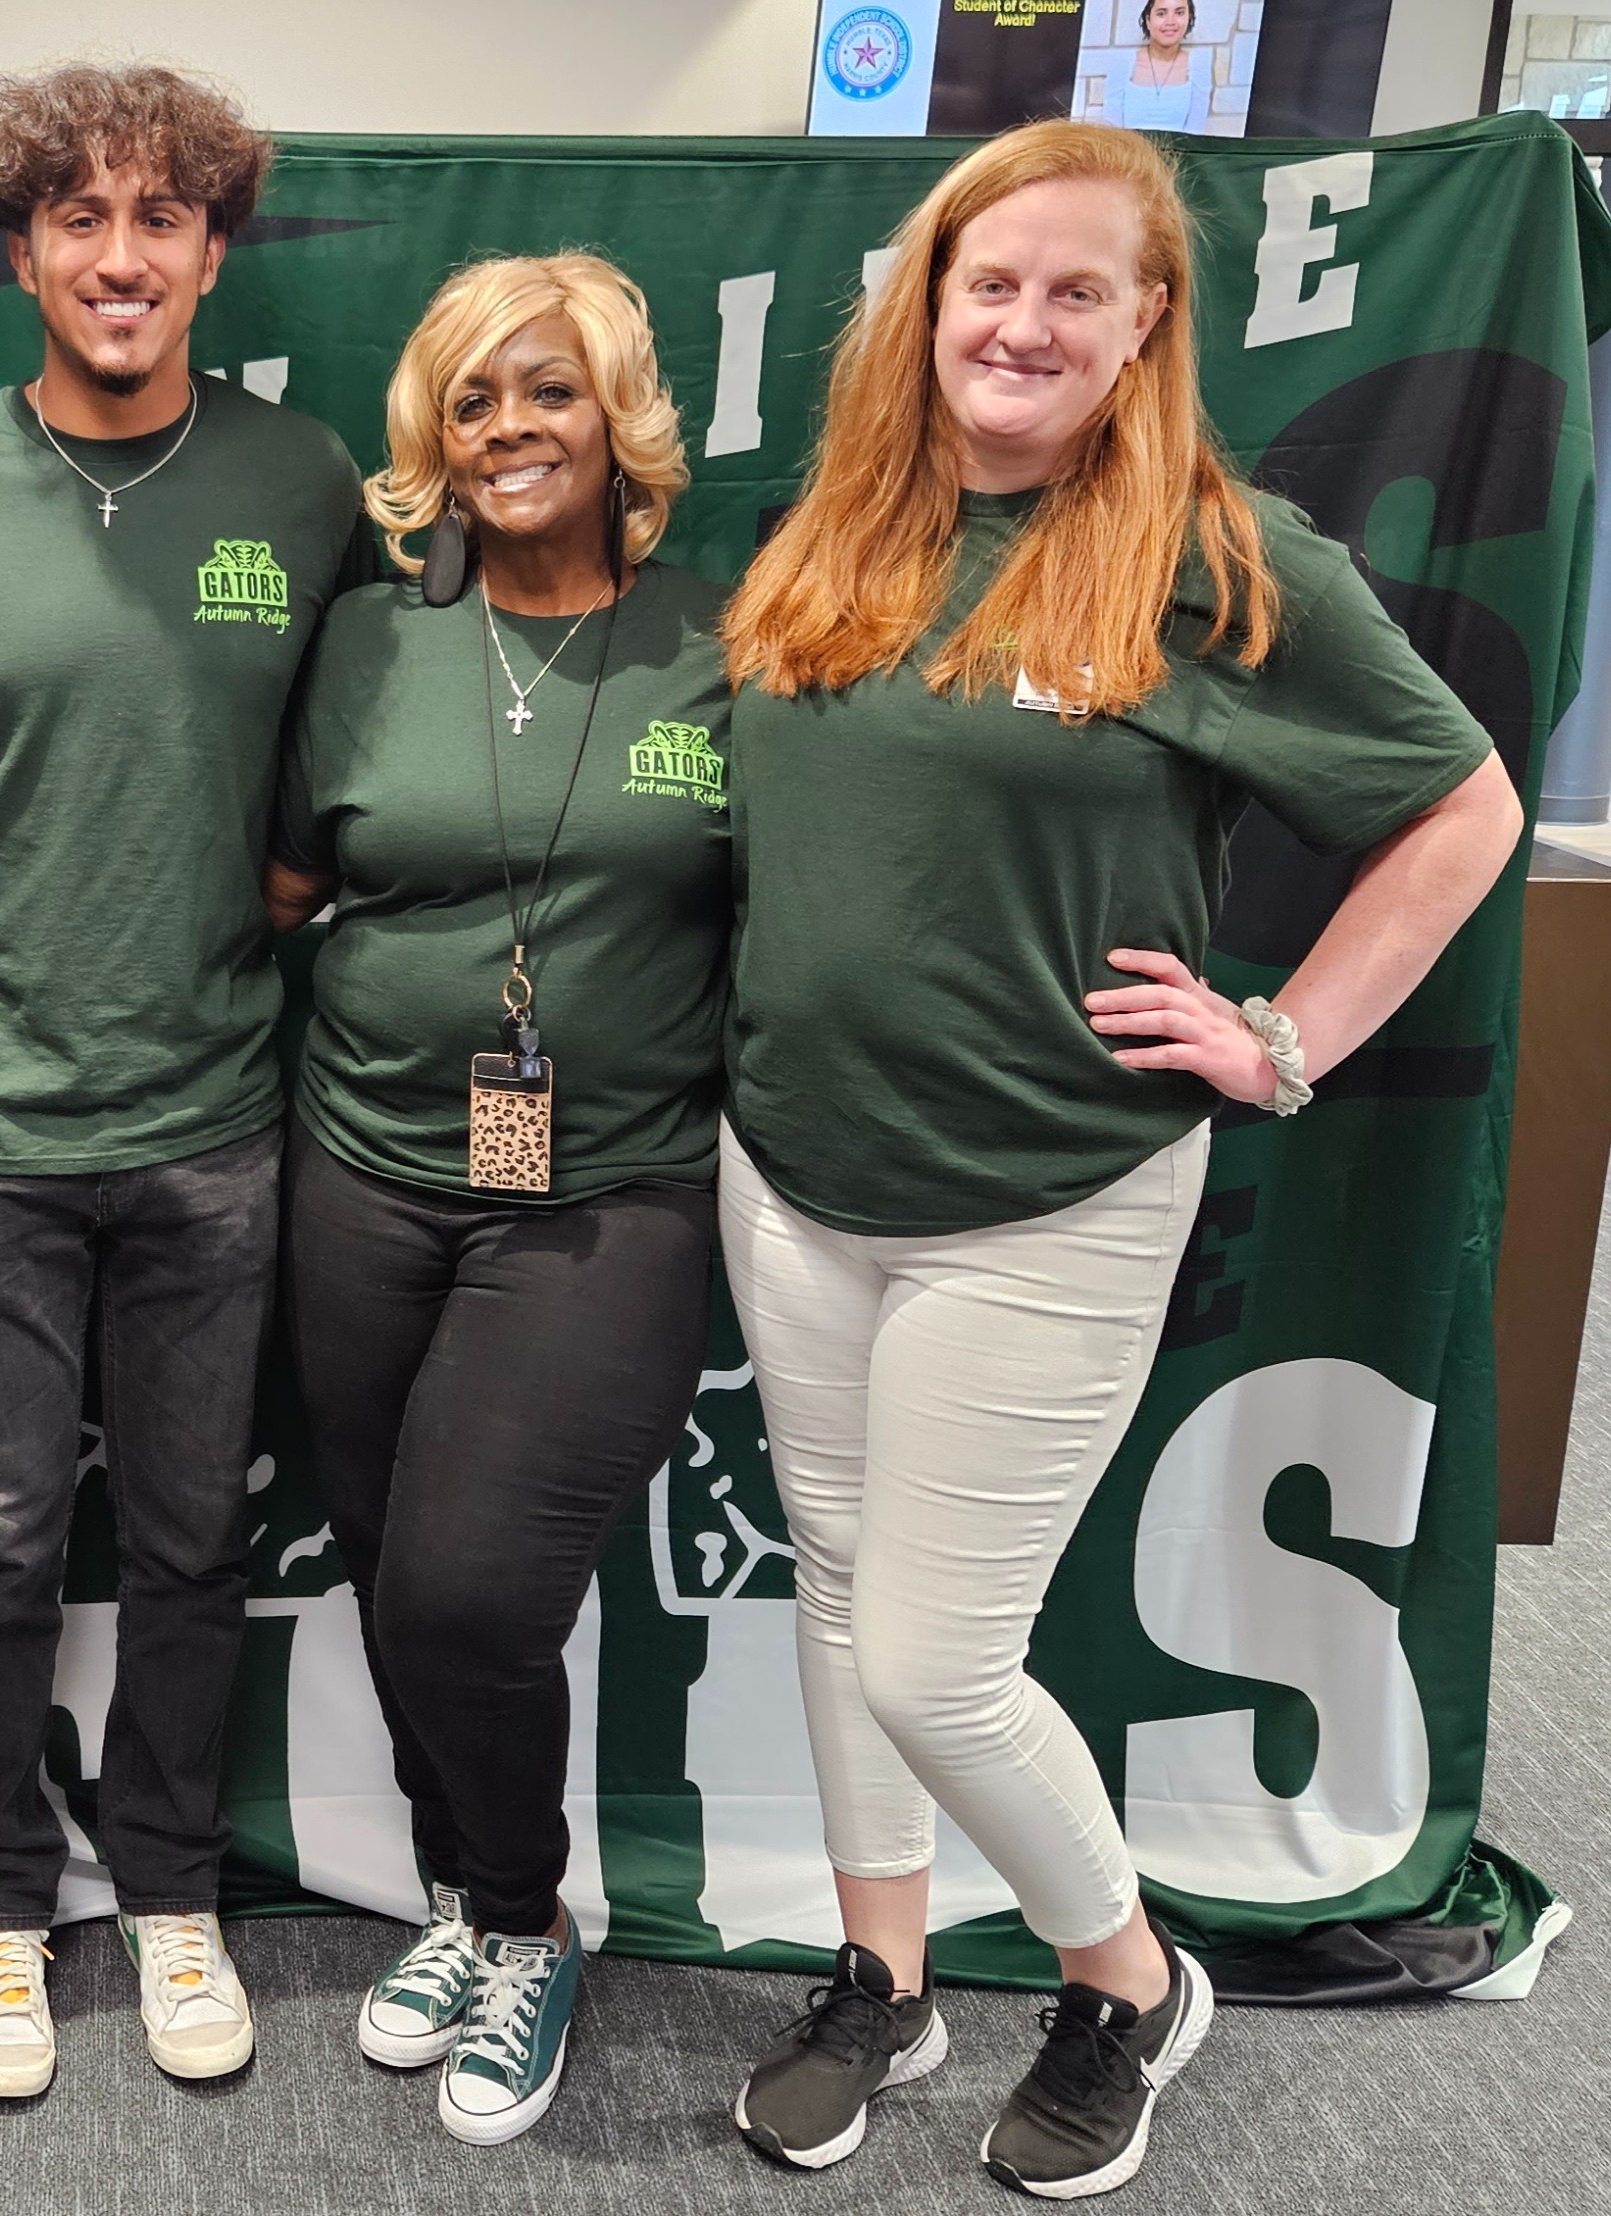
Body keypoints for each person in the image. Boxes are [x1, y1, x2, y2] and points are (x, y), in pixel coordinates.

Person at [716, 121, 1521, 2198]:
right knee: (830, 1589)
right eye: (988, 280)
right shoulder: (838, 531)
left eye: (1076, 289)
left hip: (1041, 1192)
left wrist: (1279, 1036)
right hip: (794, 1173)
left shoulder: (1218, 558)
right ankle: (879, 1972)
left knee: (930, 1656)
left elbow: (1461, 812)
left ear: (1144, 320)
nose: (1021, 321)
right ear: (924, 299)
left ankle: (1125, 1978)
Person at [0, 61, 373, 2100]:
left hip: (214, 1119)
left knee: (184, 1544)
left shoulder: (305, 485)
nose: (120, 257)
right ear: (21, 250)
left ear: (214, 251)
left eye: (160, 220)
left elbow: (350, 769)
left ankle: (165, 1892)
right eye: (80, 220)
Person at [263, 253, 728, 2146]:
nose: (510, 431)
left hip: (609, 1189)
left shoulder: (730, 641)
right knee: (389, 1563)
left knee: (469, 1589)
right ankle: (470, 1896)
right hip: (364, 1166)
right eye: (471, 402)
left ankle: (530, 1921)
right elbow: (289, 887)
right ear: (427, 442)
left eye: (548, 393)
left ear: (620, 416)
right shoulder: (365, 643)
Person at [1099, 0, 1212, 134]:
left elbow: (1195, 133)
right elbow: (1112, 130)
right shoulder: (1122, 63)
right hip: (1127, 152)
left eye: (1179, 13)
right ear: (1148, 20)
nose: (1170, 21)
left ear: (1189, 18)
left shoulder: (1198, 66)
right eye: (1161, 14)